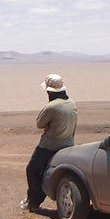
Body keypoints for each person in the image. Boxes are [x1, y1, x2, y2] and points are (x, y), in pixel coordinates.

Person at [20, 74, 78, 211]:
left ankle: (33, 201)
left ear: (49, 91)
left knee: (32, 170)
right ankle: (33, 200)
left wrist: (49, 125)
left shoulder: (51, 106)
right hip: (68, 144)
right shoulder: (72, 103)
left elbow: (39, 124)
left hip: (49, 146)